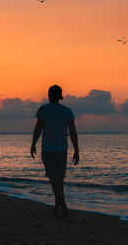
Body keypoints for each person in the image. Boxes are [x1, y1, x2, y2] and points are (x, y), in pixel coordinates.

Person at [30, 85, 79, 218]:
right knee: (59, 181)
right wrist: (76, 150)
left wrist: (33, 144)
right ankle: (57, 208)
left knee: (55, 181)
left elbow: (38, 129)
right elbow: (73, 133)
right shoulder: (67, 111)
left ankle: (64, 209)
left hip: (48, 151)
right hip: (62, 150)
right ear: (60, 96)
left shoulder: (43, 110)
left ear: (49, 95)